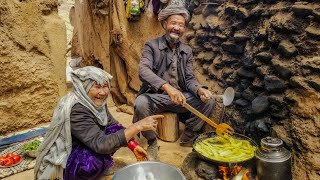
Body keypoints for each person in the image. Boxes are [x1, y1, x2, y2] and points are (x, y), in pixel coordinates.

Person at [34, 66, 164, 180]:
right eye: (96, 87)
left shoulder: (94, 103)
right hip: (66, 157)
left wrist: (133, 145)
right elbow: (101, 145)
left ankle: (100, 166)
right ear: (84, 87)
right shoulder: (76, 109)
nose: (102, 92)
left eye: (105, 86)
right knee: (92, 162)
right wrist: (138, 126)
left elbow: (113, 125)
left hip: (88, 142)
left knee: (115, 131)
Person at [133, 5, 215, 160]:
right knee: (141, 103)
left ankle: (188, 136)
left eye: (181, 25)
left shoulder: (187, 50)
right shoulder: (151, 46)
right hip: (156, 98)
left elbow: (190, 79)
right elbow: (143, 71)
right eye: (173, 23)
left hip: (181, 99)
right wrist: (168, 88)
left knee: (210, 101)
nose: (176, 28)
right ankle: (151, 141)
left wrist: (199, 90)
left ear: (184, 29)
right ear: (164, 24)